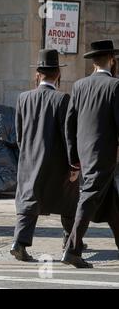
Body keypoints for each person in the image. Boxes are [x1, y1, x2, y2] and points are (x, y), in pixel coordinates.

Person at [10, 49, 80, 261]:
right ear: (58, 74)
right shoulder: (62, 99)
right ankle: (69, 242)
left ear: (38, 74)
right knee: (69, 202)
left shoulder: (23, 98)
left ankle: (19, 242)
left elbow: (19, 134)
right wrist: (74, 165)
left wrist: (27, 154)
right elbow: (69, 136)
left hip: (29, 161)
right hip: (56, 164)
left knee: (28, 203)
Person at [62, 40, 119, 268]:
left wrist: (73, 159)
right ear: (111, 60)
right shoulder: (115, 86)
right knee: (88, 197)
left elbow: (70, 124)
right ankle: (73, 249)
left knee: (112, 204)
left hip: (85, 153)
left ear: (93, 62)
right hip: (103, 154)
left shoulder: (79, 86)